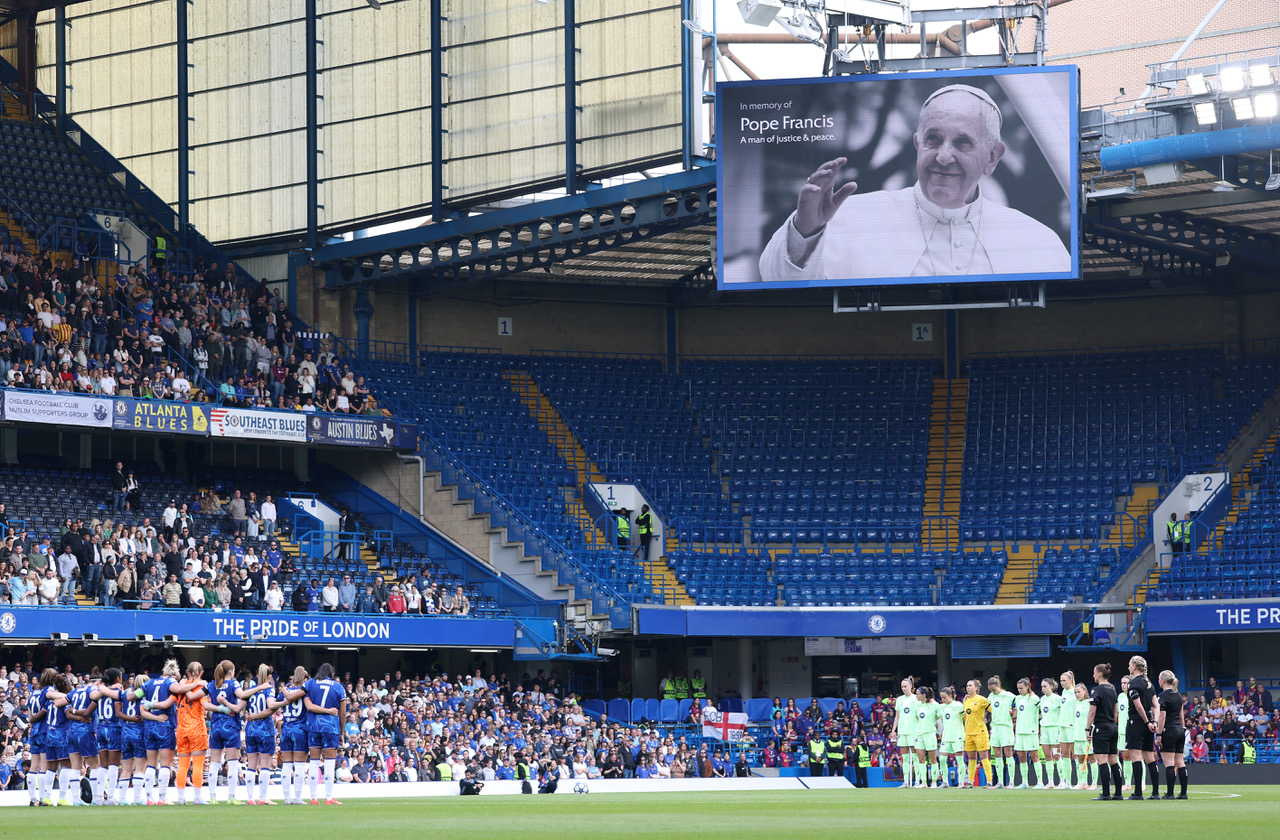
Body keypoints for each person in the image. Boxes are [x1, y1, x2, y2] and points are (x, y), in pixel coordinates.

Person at [758, 84, 1070, 283]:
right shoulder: (850, 216)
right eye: (933, 139)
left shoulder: (1036, 240)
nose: (943, 157)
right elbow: (775, 279)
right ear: (918, 145)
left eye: (962, 142)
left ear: (992, 157)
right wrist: (805, 230)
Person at [303, 662, 348, 805]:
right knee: (329, 763)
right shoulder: (338, 686)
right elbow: (343, 713)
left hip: (313, 725)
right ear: (332, 673)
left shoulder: (311, 683)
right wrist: (341, 732)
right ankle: (328, 797)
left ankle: (313, 797)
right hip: (331, 727)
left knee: (314, 763)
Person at [203, 660, 245, 804]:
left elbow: (199, 698)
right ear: (231, 671)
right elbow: (242, 695)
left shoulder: (212, 684)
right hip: (230, 726)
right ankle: (231, 797)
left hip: (215, 726)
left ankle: (212, 797)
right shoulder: (233, 683)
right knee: (233, 763)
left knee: (214, 763)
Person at [171, 662, 209, 805]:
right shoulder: (201, 687)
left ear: (187, 672)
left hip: (181, 729)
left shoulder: (180, 686)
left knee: (182, 765)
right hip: (197, 728)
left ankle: (181, 798)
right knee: (198, 765)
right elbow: (204, 705)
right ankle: (197, 797)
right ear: (201, 673)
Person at [242, 665, 280, 805]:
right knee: (265, 765)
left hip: (250, 729)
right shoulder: (269, 689)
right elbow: (271, 706)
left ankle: (250, 798)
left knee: (251, 764)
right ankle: (263, 798)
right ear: (270, 676)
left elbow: (240, 704)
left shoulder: (251, 690)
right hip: (265, 729)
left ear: (257, 676)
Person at [1125, 655, 1159, 800]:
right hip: (1150, 723)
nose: (1128, 667)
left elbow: (1138, 706)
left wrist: (1146, 722)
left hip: (1137, 722)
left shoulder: (1133, 684)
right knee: (1149, 757)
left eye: (1129, 664)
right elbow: (1156, 705)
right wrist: (1154, 722)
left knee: (1136, 757)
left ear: (1134, 666)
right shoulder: (1149, 683)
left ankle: (1138, 792)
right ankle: (1155, 792)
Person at [1087, 663, 1123, 801]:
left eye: (1094, 672)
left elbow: (1092, 712)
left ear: (1099, 674)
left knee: (1102, 761)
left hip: (1101, 727)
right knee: (1113, 761)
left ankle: (1106, 794)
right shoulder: (1113, 690)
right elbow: (1115, 710)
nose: (1093, 675)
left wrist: (1087, 729)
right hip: (1113, 726)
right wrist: (1112, 722)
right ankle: (1118, 793)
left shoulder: (1096, 690)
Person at [277, 666, 311, 805]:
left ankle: (286, 798)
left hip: (286, 729)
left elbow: (278, 703)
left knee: (286, 765)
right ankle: (297, 797)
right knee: (300, 765)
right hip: (300, 729)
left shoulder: (285, 691)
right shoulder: (304, 691)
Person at [1155, 670, 1188, 799]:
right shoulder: (1178, 695)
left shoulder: (1162, 696)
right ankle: (1183, 793)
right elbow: (1181, 715)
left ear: (1162, 680)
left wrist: (1159, 734)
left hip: (1168, 730)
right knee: (1180, 762)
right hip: (1179, 730)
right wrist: (1183, 729)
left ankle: (1170, 793)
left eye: (1159, 678)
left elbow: (1162, 716)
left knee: (1169, 763)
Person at [962, 678, 994, 788]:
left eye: (970, 685)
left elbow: (993, 710)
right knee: (971, 758)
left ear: (976, 688)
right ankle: (970, 782)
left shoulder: (982, 700)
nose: (968, 687)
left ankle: (989, 782)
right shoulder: (965, 700)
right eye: (967, 686)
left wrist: (988, 720)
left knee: (984, 757)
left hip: (980, 732)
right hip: (969, 732)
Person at [986, 676, 1016, 788]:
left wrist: (1013, 712)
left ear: (999, 686)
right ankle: (1000, 782)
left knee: (1008, 754)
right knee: (997, 755)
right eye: (991, 690)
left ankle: (1011, 782)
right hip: (995, 727)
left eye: (994, 689)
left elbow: (1017, 705)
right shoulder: (991, 696)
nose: (992, 692)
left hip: (1006, 727)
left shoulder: (1009, 695)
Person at [1012, 677, 1041, 789]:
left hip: (1031, 731)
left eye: (1021, 688)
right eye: (1018, 688)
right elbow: (1016, 714)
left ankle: (1040, 782)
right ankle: (1024, 782)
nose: (1019, 690)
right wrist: (1012, 713)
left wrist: (1037, 721)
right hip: (1020, 731)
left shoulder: (1034, 698)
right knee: (1021, 756)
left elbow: (1042, 711)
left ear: (1027, 687)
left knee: (1034, 756)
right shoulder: (1017, 699)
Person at [890, 676, 918, 788]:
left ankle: (917, 781)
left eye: (905, 686)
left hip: (913, 731)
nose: (903, 688)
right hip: (902, 731)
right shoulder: (899, 699)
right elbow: (897, 716)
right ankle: (906, 781)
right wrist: (893, 730)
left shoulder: (916, 698)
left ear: (910, 686)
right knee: (905, 758)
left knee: (915, 758)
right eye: (902, 687)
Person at [938, 686, 966, 788]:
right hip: (946, 736)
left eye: (944, 697)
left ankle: (961, 782)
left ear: (950, 696)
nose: (943, 699)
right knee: (942, 759)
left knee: (959, 760)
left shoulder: (958, 705)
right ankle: (945, 781)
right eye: (941, 698)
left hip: (957, 736)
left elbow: (966, 717)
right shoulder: (941, 707)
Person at [912, 687, 940, 788]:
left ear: (923, 695)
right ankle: (923, 782)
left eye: (918, 694)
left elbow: (938, 716)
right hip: (919, 734)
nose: (916, 696)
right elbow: (916, 718)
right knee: (921, 759)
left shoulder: (935, 705)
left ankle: (934, 782)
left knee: (933, 759)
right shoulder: (917, 705)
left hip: (930, 733)